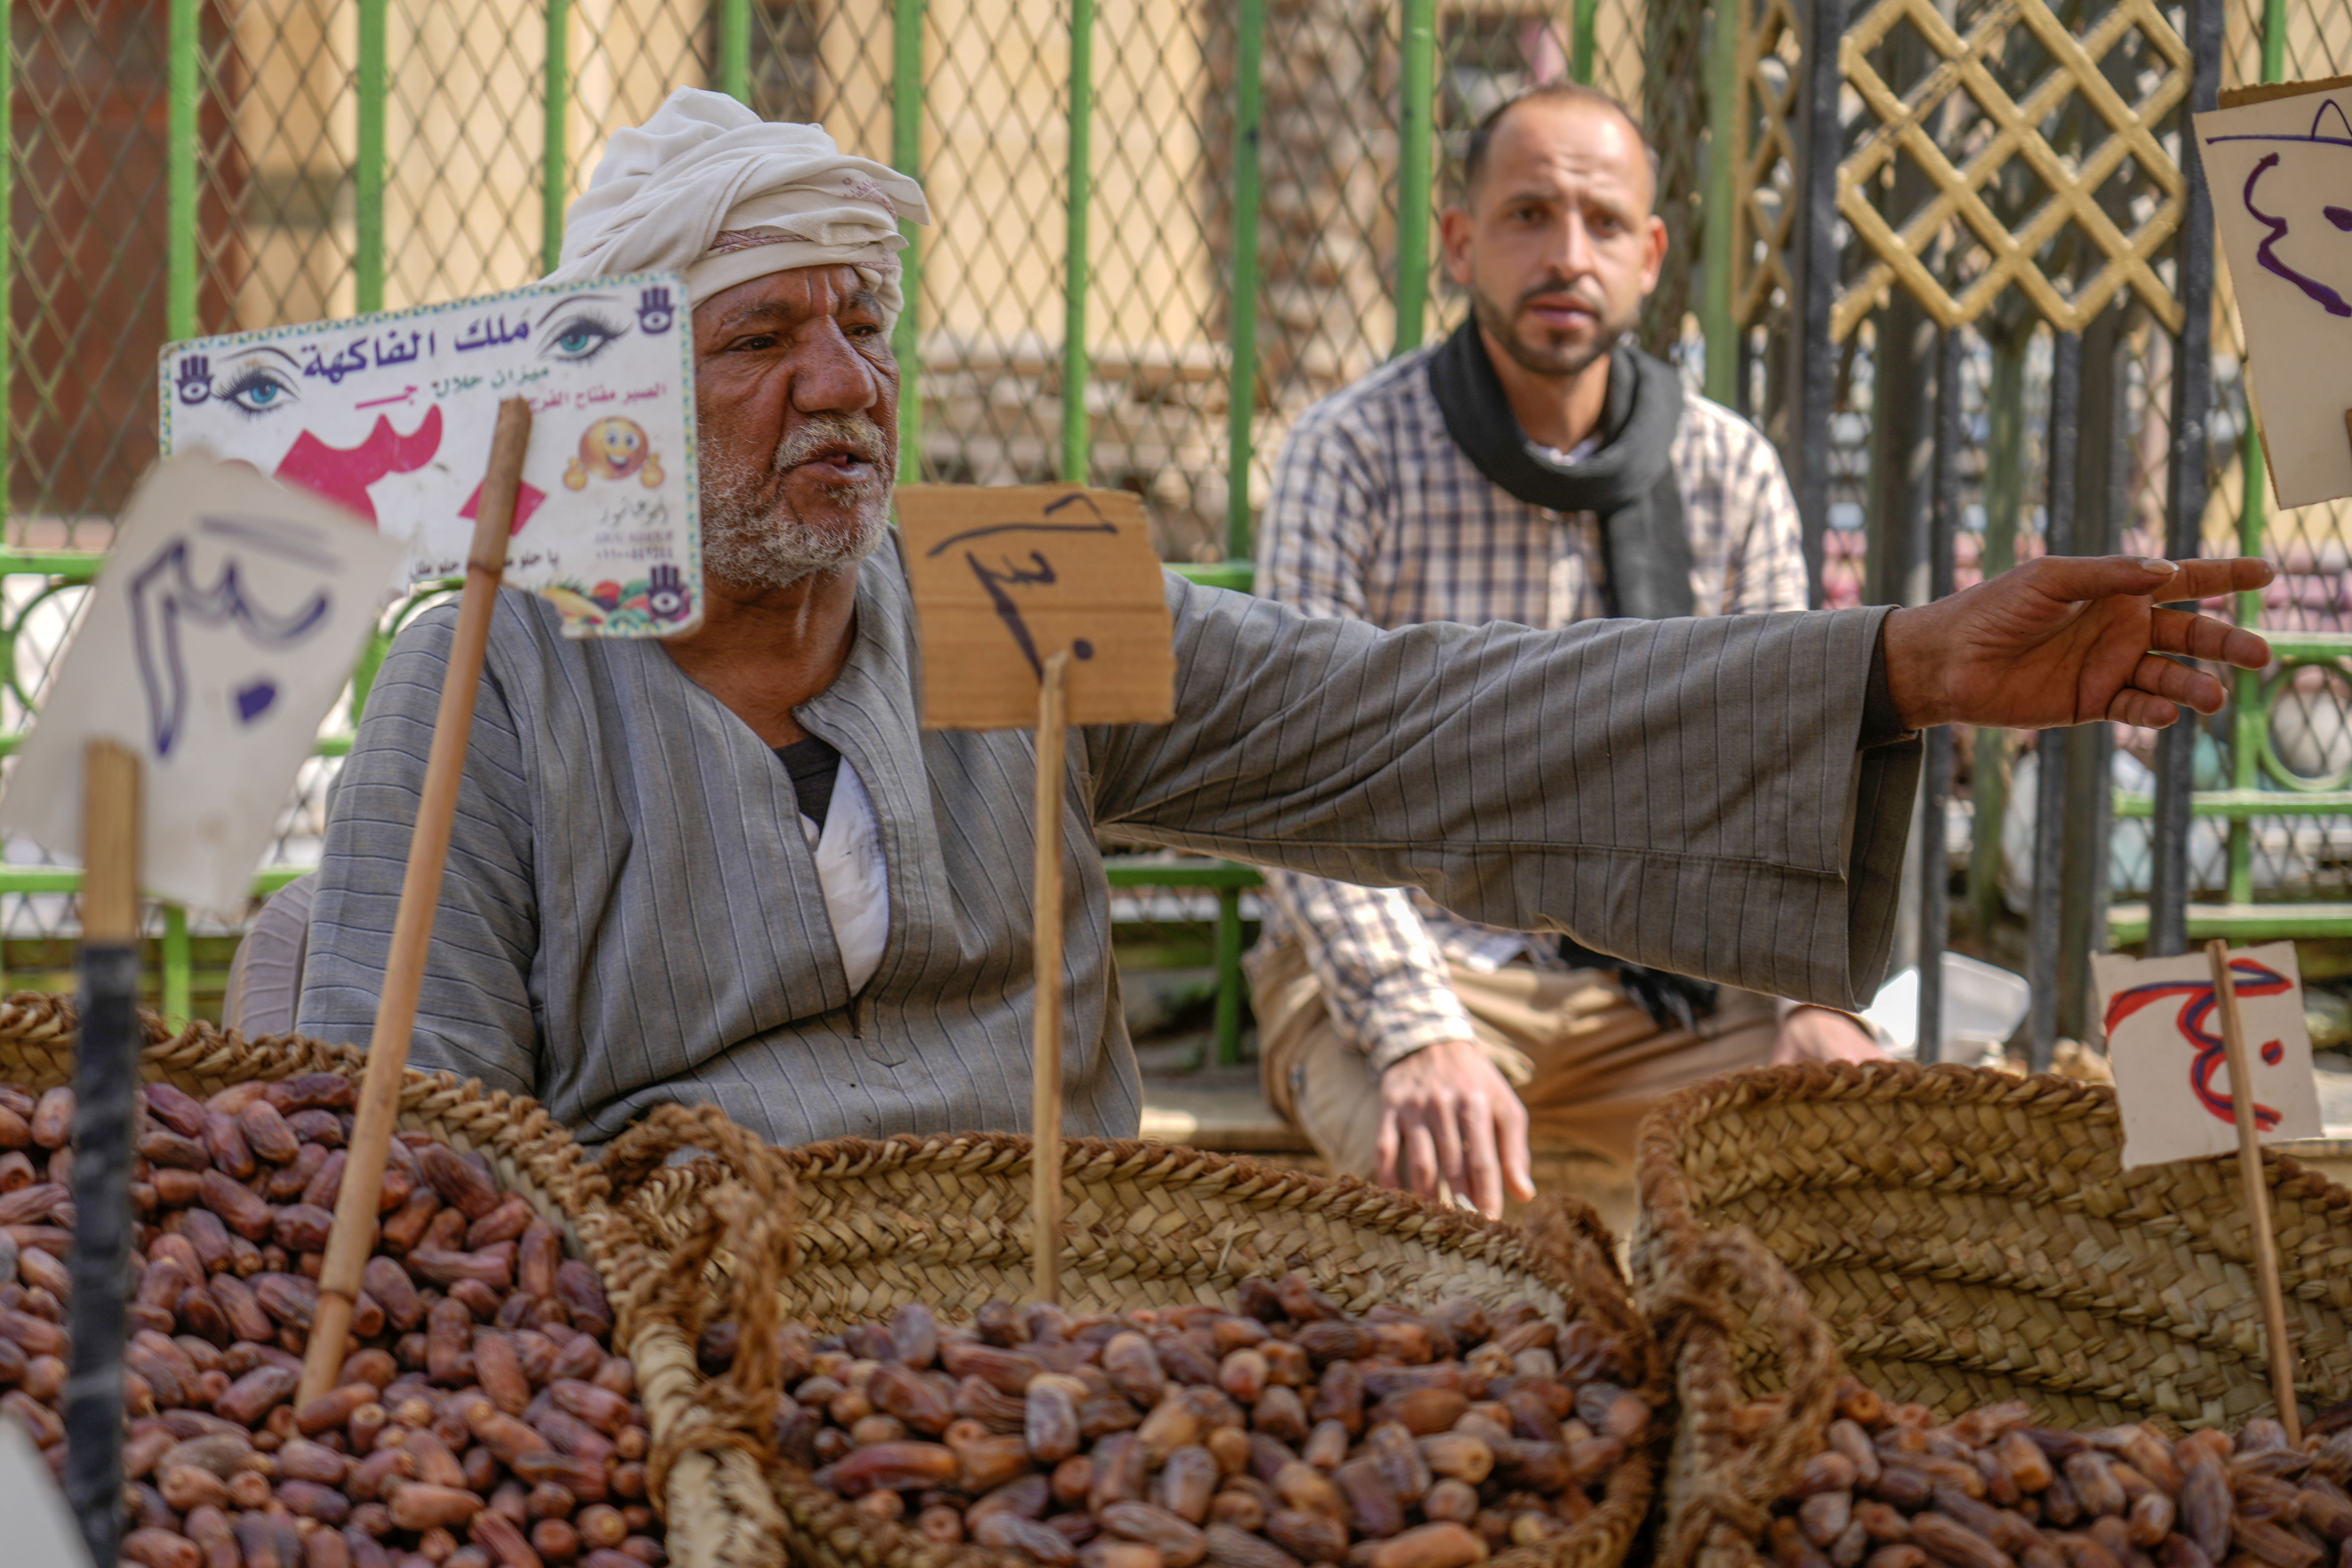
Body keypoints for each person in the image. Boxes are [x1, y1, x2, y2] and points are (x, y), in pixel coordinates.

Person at [295, 88, 2273, 1158]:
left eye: (864, 322)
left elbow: (1402, 722)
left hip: (1054, 1336)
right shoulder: (485, 671)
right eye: (763, 336)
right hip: (680, 1368)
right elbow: (414, 1135)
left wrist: (1901, 663)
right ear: (626, 392)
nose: (845, 382)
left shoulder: (1001, 578)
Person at [1248, 82, 1875, 1216]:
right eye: (1527, 215)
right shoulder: (1350, 454)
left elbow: (1796, 776)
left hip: (1664, 988)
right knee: (1456, 1234)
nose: (1565, 254)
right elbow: (1294, 792)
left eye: (1599, 224)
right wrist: (1419, 1037)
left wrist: (1812, 1003)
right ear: (1458, 242)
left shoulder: (1726, 472)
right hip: (1409, 966)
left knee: (1850, 1173)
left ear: (1648, 252)